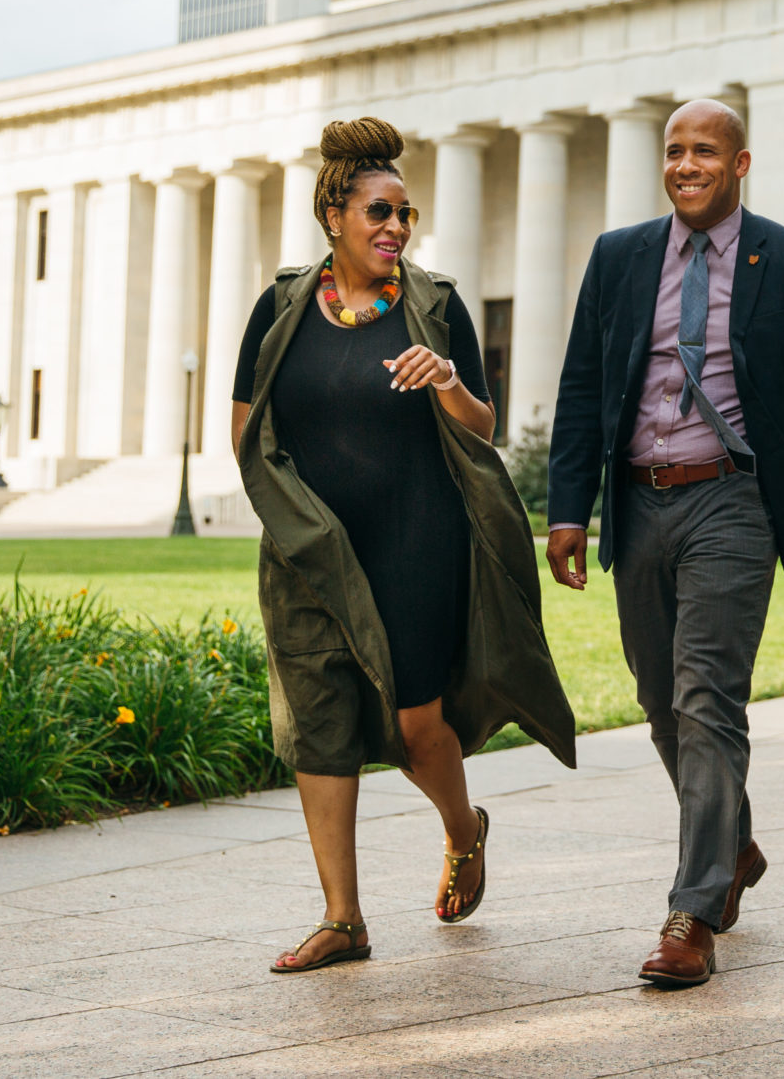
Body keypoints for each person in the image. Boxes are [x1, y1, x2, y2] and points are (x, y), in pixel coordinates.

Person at [231, 117, 575, 976]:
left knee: (422, 727)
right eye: (379, 212)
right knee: (321, 727)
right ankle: (343, 918)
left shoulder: (435, 304)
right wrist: (291, 520)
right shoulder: (280, 308)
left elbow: (485, 426)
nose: (395, 228)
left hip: (418, 538)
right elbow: (245, 431)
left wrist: (451, 380)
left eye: (405, 214)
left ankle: (465, 829)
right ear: (334, 214)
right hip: (312, 553)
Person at [546, 99, 784, 989]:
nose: (687, 164)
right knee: (659, 698)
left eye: (705, 152)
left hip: (733, 498)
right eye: (675, 150)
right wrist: (568, 507)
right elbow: (581, 387)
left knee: (707, 695)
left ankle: (692, 911)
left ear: (741, 163)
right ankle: (731, 836)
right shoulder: (618, 257)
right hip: (639, 501)